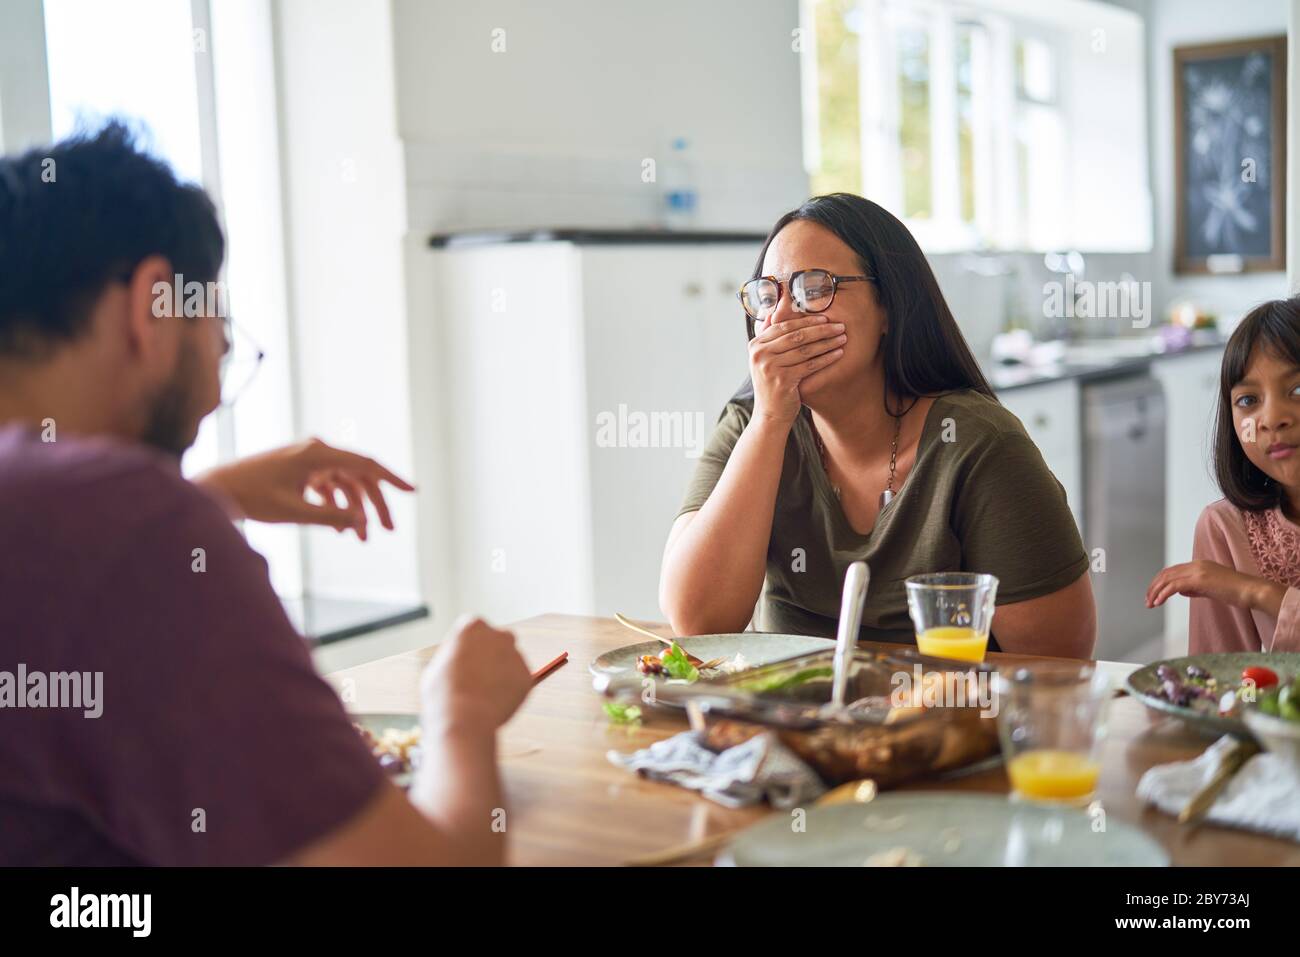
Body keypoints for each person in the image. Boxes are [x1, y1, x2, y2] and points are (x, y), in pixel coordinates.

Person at [0, 121, 532, 865]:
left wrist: (208, 498)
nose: (215, 395)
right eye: (217, 330)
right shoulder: (130, 528)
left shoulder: (63, 517)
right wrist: (462, 715)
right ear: (154, 306)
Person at [659, 194, 1096, 657]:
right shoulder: (751, 422)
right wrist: (769, 423)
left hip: (938, 720)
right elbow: (696, 621)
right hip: (788, 717)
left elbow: (1058, 663)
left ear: (889, 306)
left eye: (814, 288)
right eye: (768, 295)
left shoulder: (979, 445)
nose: (780, 318)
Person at [1148, 298, 1300, 653]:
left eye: (1297, 391)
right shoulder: (1224, 528)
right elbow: (1219, 688)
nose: (1271, 418)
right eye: (1248, 400)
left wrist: (1253, 591)